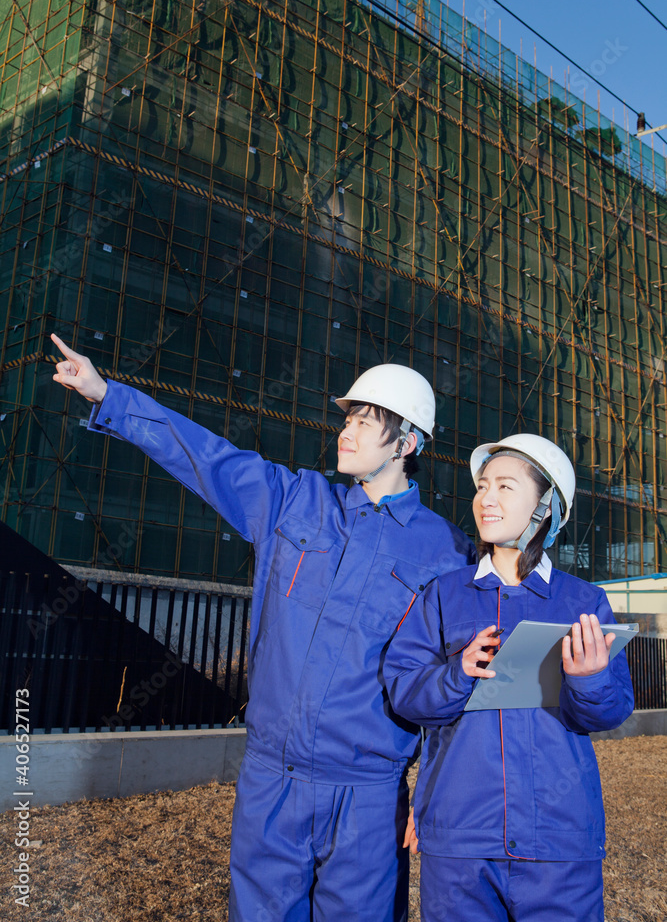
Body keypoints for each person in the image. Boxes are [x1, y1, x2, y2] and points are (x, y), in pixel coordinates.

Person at [50, 334, 475, 922]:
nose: (345, 431)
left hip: (369, 799)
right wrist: (107, 396)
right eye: (347, 418)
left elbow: (454, 693)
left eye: (365, 421)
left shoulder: (448, 554)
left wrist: (433, 803)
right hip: (271, 781)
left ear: (406, 442)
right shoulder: (294, 501)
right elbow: (206, 456)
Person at [382, 433, 634, 922]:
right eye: (481, 486)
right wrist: (456, 674)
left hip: (559, 845)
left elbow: (610, 712)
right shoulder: (443, 595)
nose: (486, 498)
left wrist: (589, 678)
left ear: (546, 507)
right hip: (460, 843)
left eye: (505, 486)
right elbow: (405, 693)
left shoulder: (585, 603)